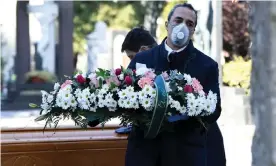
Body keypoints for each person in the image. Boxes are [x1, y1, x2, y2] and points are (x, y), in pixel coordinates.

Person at [126, 3, 225, 166]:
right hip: (144, 154)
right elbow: (126, 98)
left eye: (189, 23)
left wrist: (190, 105)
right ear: (167, 24)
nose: (183, 26)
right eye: (178, 20)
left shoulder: (207, 66)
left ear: (193, 31)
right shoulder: (142, 60)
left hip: (185, 155)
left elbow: (214, 111)